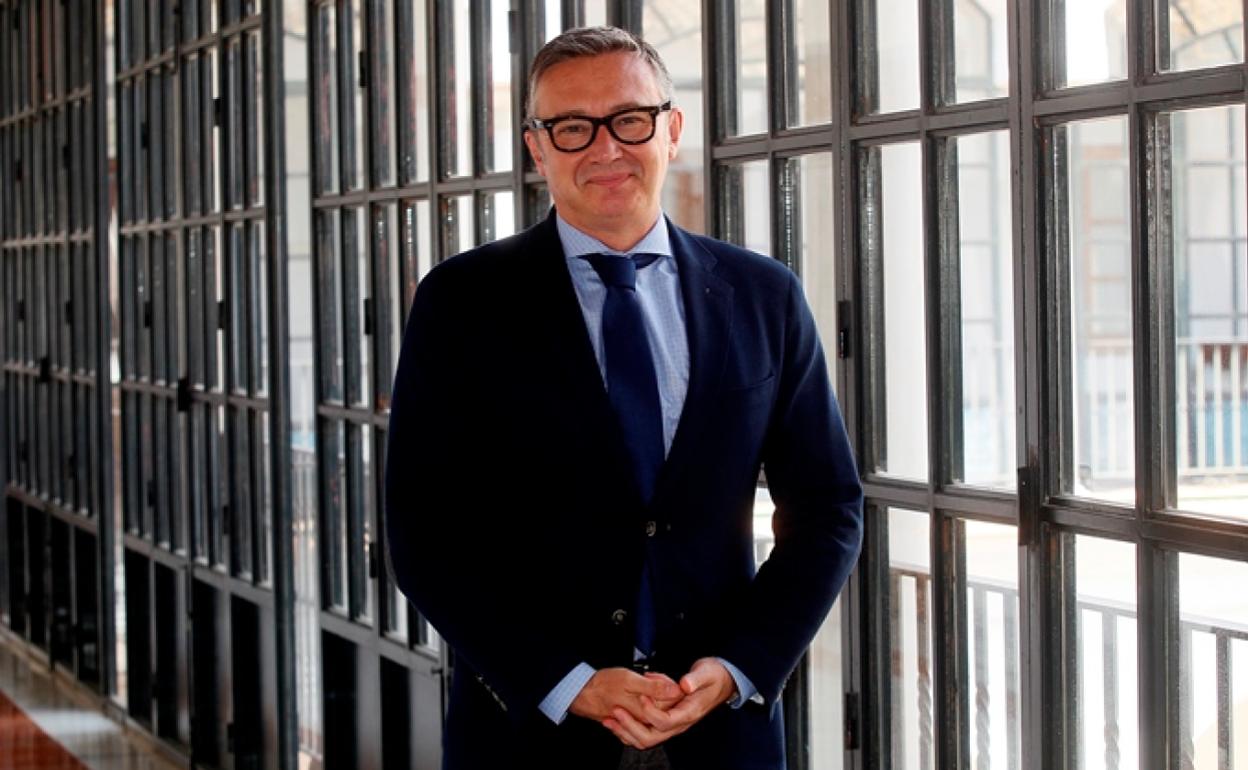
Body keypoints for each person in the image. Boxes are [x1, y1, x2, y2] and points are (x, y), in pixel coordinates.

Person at [385, 25, 863, 770]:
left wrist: (739, 666)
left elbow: (828, 507)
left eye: (629, 119)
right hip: (529, 736)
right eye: (573, 128)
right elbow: (426, 534)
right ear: (537, 147)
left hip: (722, 729)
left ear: (671, 129)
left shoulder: (763, 295)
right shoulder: (463, 302)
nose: (605, 148)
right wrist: (568, 683)